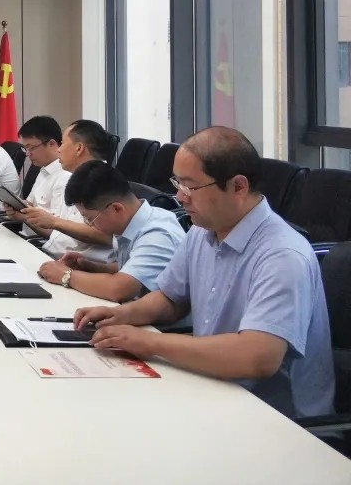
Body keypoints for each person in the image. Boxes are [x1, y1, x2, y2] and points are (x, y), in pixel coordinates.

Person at [75, 127, 334, 419]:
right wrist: (121, 315)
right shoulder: (203, 230)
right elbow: (171, 298)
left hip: (274, 418)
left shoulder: (282, 255)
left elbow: (257, 357)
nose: (179, 197)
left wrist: (149, 342)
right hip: (210, 387)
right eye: (177, 183)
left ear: (238, 187)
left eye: (189, 187)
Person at [37, 161, 184, 302]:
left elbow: (120, 289)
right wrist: (90, 267)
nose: (89, 224)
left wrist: (66, 275)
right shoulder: (130, 223)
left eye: (90, 218)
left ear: (116, 209)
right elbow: (131, 269)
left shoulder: (158, 234)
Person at [9, 119, 115, 260]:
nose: (59, 149)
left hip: (78, 265)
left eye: (63, 143)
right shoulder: (80, 178)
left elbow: (105, 236)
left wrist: (54, 222)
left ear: (79, 148)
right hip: (52, 254)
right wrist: (27, 215)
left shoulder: (103, 181)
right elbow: (59, 231)